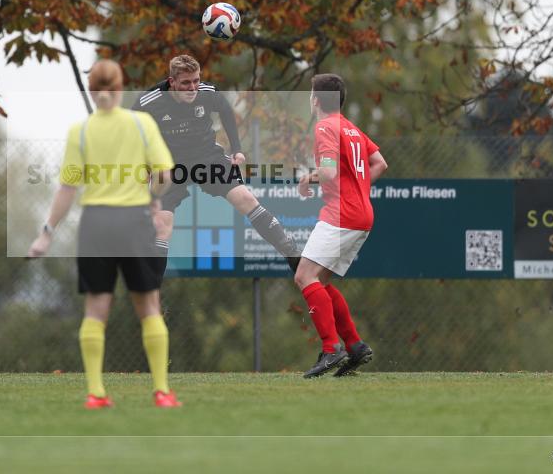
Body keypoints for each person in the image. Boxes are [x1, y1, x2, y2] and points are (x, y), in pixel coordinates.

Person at [28, 59, 181, 409]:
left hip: (95, 223)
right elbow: (165, 174)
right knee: (149, 306)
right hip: (133, 221)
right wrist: (154, 198)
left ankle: (96, 393)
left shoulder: (79, 132)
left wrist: (46, 232)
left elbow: (67, 188)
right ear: (120, 85)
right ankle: (162, 392)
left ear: (93, 90)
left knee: (96, 309)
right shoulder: (142, 124)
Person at [133, 54, 300, 277]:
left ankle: (293, 256)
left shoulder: (207, 93)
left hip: (207, 156)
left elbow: (227, 113)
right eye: (185, 83)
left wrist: (237, 149)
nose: (192, 88)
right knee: (162, 226)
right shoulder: (149, 101)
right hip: (169, 165)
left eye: (196, 81)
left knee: (246, 199)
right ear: (172, 81)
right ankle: (151, 293)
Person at [295, 74, 388, 378]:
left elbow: (329, 172)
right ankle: (356, 346)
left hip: (341, 214)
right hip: (363, 215)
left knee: (304, 276)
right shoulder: (351, 128)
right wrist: (359, 188)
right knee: (321, 282)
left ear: (316, 100)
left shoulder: (325, 126)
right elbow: (380, 163)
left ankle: (330, 347)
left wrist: (309, 178)